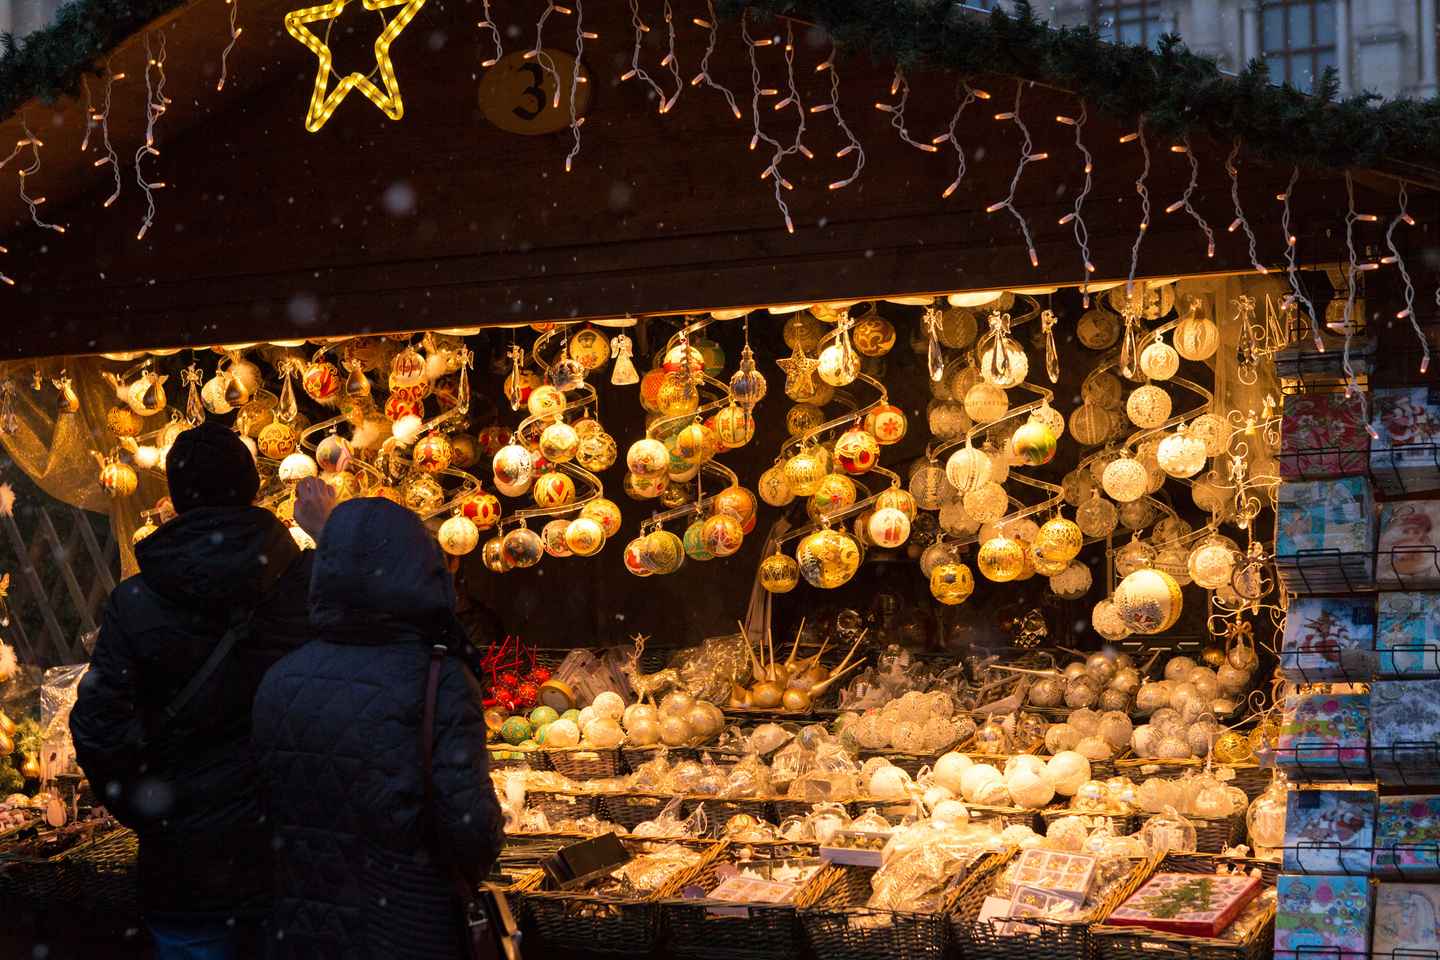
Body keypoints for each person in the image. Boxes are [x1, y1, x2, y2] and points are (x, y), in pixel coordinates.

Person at [71, 421, 334, 959]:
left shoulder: (137, 601)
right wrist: (330, 535)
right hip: (298, 856)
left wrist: (157, 813)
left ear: (173, 497)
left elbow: (100, 730)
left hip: (187, 870)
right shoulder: (310, 584)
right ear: (254, 489)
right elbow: (401, 647)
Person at [251, 497, 504, 959]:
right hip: (408, 927)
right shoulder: (438, 678)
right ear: (418, 567)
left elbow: (266, 809)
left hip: (301, 929)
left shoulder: (278, 679)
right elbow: (471, 831)